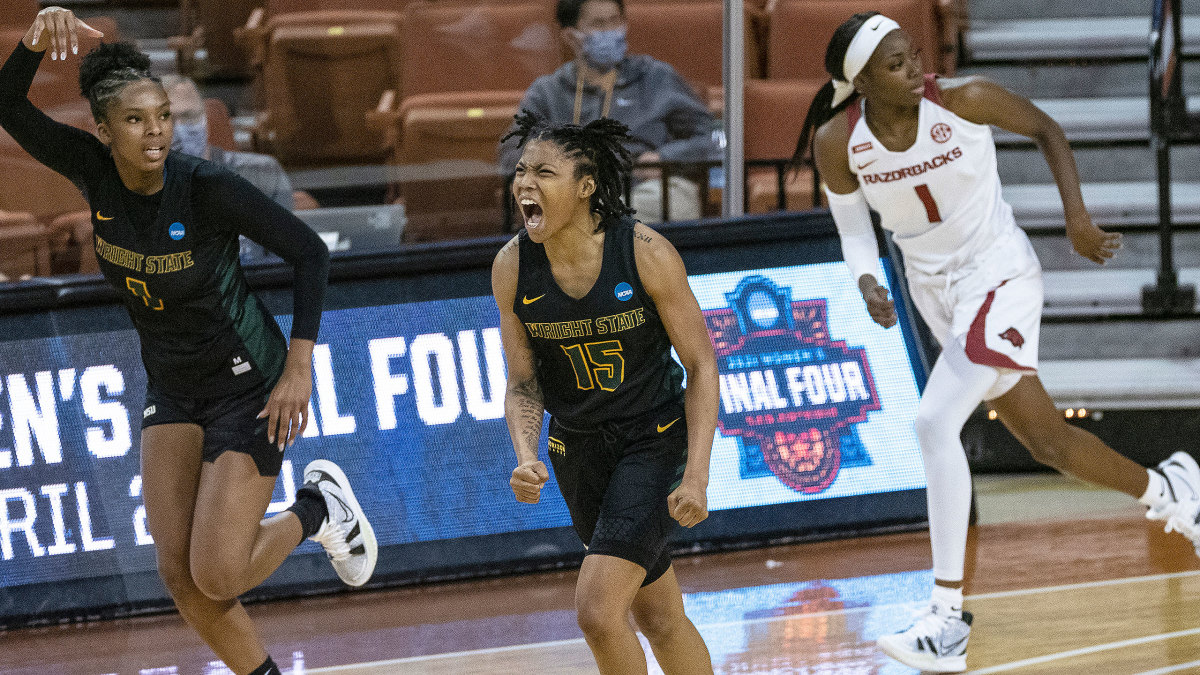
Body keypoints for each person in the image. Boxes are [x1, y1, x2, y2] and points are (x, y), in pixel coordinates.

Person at [793, 11, 1200, 673]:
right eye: (895, 63)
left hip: (1000, 275)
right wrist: (868, 281)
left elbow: (1047, 129)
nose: (914, 67)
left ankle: (946, 618)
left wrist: (1076, 218)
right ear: (861, 81)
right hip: (936, 292)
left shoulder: (964, 99)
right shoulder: (839, 141)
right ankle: (1172, 489)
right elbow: (855, 232)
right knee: (1048, 442)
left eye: (913, 53)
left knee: (933, 422)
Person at [0, 9, 377, 675]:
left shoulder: (206, 189)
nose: (155, 131)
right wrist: (34, 39)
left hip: (250, 382)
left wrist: (299, 366)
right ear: (104, 131)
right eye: (136, 120)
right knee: (178, 574)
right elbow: (7, 105)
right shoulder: (92, 170)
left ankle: (318, 509)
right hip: (173, 386)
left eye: (163, 117)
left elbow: (310, 253)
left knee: (219, 573)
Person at [493, 112, 717, 674]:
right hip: (578, 451)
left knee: (597, 611)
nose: (526, 184)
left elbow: (701, 365)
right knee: (659, 616)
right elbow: (523, 381)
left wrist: (696, 474)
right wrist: (524, 454)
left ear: (586, 186)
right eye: (521, 172)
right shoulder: (512, 266)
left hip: (653, 441)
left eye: (544, 172)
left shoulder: (644, 251)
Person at [497, 0, 720, 224]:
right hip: (575, 195)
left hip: (648, 190)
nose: (610, 31)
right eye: (598, 24)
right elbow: (511, 154)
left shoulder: (655, 77)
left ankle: (592, 221)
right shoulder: (547, 92)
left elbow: (712, 137)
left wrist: (666, 158)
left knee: (667, 203)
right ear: (570, 36)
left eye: (615, 21)